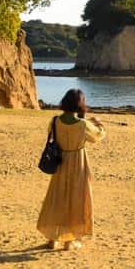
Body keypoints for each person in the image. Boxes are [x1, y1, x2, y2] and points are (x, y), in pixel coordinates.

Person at [37, 89, 106, 251]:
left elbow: (54, 133)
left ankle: (53, 239)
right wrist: (98, 123)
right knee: (76, 200)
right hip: (78, 163)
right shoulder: (83, 124)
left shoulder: (55, 121)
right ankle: (69, 241)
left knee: (58, 199)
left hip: (60, 163)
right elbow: (97, 137)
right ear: (80, 104)